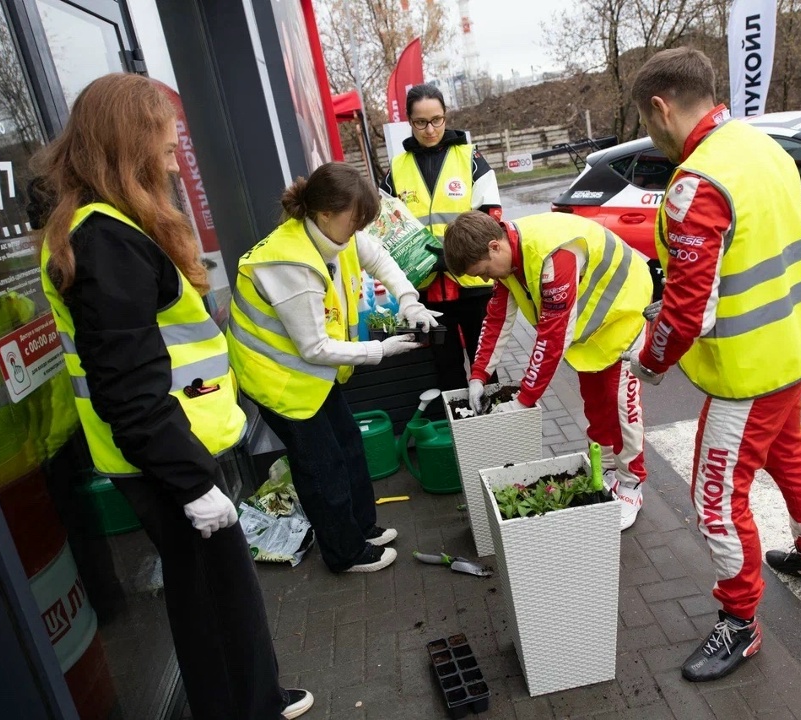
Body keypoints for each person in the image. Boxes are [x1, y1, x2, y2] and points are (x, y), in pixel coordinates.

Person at [35, 74, 313, 720]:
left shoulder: (106, 228)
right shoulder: (104, 239)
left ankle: (255, 698)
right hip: (166, 460)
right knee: (214, 601)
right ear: (129, 142)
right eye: (163, 138)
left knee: (214, 596)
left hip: (171, 452)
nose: (172, 151)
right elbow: (127, 389)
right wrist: (193, 483)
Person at [623, 47, 801, 682]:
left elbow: (691, 307)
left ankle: (740, 621)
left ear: (660, 107)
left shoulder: (697, 182)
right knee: (789, 453)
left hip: (748, 370)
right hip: (794, 345)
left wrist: (649, 361)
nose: (650, 134)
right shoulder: (761, 146)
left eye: (646, 120)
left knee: (715, 499)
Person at [227, 162, 439, 573]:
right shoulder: (291, 265)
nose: (360, 229)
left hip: (307, 373)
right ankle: (345, 553)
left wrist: (409, 299)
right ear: (325, 213)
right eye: (355, 219)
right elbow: (314, 347)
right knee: (322, 468)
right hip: (278, 379)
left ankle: (362, 528)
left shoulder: (334, 235)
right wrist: (380, 351)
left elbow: (379, 258)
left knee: (347, 446)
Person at [443, 211, 653, 530]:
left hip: (623, 317)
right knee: (597, 404)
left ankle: (631, 484)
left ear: (494, 247)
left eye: (484, 271)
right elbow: (497, 318)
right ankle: (610, 470)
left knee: (621, 407)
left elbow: (552, 337)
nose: (487, 279)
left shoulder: (555, 256)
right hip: (592, 331)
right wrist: (478, 375)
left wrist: (524, 399)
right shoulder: (509, 261)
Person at [380, 83, 502, 391]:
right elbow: (383, 228)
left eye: (437, 119)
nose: (430, 128)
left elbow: (491, 217)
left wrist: (454, 257)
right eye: (421, 122)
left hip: (474, 286)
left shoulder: (471, 158)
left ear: (446, 116)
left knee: (485, 366)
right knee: (444, 371)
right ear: (409, 121)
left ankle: (493, 434)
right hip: (426, 293)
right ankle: (458, 435)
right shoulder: (396, 169)